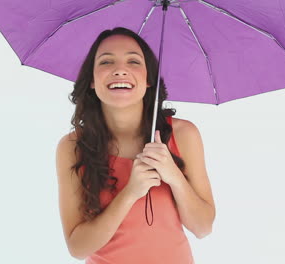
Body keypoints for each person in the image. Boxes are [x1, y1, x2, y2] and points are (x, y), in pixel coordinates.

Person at [56, 27, 215, 264]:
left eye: (133, 61)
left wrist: (173, 176)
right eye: (106, 62)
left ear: (149, 79)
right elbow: (78, 248)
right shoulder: (73, 147)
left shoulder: (183, 135)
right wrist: (130, 192)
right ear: (91, 80)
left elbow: (202, 227)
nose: (120, 70)